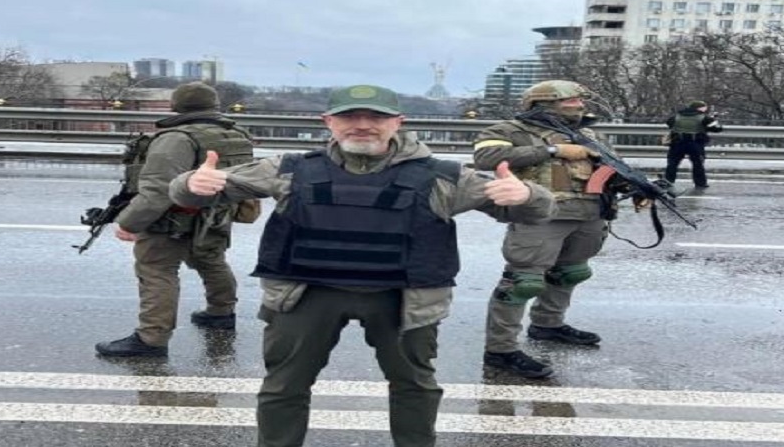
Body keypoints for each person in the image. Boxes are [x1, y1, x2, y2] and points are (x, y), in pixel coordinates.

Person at [169, 84, 556, 446]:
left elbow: (532, 211)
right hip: (306, 293)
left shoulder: (443, 176)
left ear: (398, 122)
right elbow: (200, 190)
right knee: (284, 385)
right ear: (328, 121)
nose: (363, 125)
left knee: (414, 387)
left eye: (376, 117)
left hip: (403, 299)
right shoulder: (289, 169)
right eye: (350, 116)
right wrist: (191, 185)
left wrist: (527, 195)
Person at [472, 79, 637, 379]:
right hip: (540, 214)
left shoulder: (587, 134)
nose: (579, 106)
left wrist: (634, 187)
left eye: (580, 101)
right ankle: (500, 350)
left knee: (570, 272)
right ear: (544, 103)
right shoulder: (509, 130)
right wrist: (552, 150)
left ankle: (548, 325)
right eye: (571, 101)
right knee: (522, 282)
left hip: (589, 212)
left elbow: (612, 167)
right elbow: (486, 158)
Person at [95, 82, 255, 358]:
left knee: (157, 270)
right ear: (214, 104)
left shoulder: (176, 139)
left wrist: (129, 222)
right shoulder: (235, 134)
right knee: (211, 260)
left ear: (176, 105)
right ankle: (220, 314)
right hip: (217, 213)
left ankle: (151, 339)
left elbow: (158, 189)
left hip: (175, 217)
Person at [664, 100, 723, 189]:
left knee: (672, 163)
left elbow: (669, 123)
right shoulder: (704, 118)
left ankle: (668, 182)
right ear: (699, 108)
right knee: (698, 164)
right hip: (695, 143)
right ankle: (700, 183)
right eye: (704, 107)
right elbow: (717, 129)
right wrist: (710, 123)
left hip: (677, 143)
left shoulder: (677, 116)